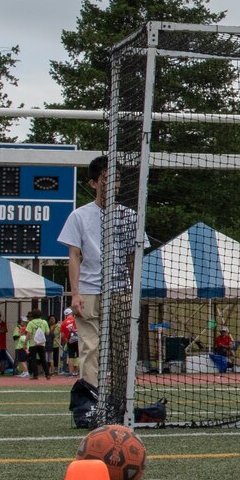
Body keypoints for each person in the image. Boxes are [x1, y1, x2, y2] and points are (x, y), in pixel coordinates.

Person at [57, 155, 143, 430]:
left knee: (121, 350)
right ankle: (90, 403)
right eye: (106, 178)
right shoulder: (79, 216)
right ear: (93, 182)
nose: (112, 183)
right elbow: (73, 256)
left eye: (115, 179)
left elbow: (133, 258)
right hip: (90, 290)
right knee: (89, 348)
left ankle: (120, 401)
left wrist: (132, 292)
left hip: (119, 290)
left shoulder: (129, 216)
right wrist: (75, 293)